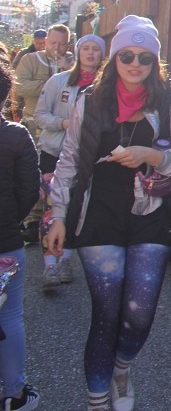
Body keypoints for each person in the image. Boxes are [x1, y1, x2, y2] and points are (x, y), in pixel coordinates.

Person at [45, 16, 171, 411]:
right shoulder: (89, 99)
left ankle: (122, 367)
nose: (135, 64)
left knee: (140, 314)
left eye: (144, 57)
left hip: (150, 212)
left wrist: (152, 156)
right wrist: (58, 214)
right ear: (114, 59)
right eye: (127, 55)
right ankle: (98, 400)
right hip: (99, 213)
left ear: (154, 62)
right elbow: (68, 159)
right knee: (106, 313)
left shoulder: (170, 98)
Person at [33, 34, 106, 289]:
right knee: (52, 209)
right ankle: (50, 266)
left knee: (78, 208)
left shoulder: (106, 85)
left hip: (88, 156)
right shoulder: (59, 81)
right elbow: (39, 115)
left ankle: (66, 259)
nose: (90, 53)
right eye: (85, 48)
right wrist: (65, 124)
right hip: (54, 153)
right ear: (77, 52)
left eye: (95, 49)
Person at [0, 63, 41, 410]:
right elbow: (30, 190)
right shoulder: (16, 135)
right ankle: (14, 394)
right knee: (10, 316)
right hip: (6, 243)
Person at [14, 24, 73, 139]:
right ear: (46, 42)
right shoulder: (30, 59)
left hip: (64, 126)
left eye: (62, 44)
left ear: (68, 45)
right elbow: (19, 87)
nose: (56, 47)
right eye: (53, 43)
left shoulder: (74, 61)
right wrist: (50, 84)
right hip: (33, 124)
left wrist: (69, 70)